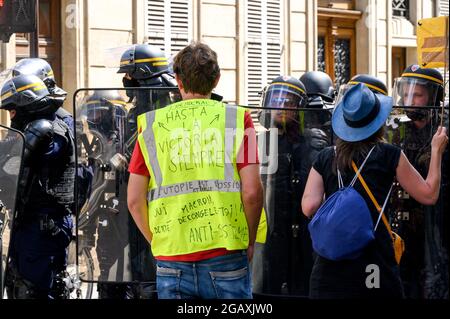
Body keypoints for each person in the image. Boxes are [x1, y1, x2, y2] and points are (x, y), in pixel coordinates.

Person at [127, 41, 263, 299]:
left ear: (177, 80)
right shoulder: (238, 119)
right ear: (217, 80)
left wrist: (158, 242)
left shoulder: (152, 125)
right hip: (226, 254)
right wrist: (250, 240)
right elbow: (253, 192)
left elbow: (134, 200)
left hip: (171, 258)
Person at [301, 83, 448, 298]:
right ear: (377, 123)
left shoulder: (325, 156)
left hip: (329, 268)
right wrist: (436, 151)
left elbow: (308, 207)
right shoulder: (390, 155)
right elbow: (429, 194)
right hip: (375, 264)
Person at [1, 74, 75, 299]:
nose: (11, 116)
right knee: (17, 283)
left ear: (27, 103)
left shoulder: (47, 130)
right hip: (28, 223)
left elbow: (14, 167)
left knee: (33, 291)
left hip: (44, 226)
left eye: (13, 109)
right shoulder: (29, 130)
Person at [252, 76, 328, 297]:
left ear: (299, 108)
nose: (281, 106)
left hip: (304, 234)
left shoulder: (312, 142)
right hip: (270, 234)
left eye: (289, 101)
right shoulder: (258, 142)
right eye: (276, 99)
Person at [391, 64, 448, 298]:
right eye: (406, 93)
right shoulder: (397, 129)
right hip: (403, 224)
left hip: (437, 224)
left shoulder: (444, 129)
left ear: (433, 97)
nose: (409, 100)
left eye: (417, 94)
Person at [77, 90, 130, 298]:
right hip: (108, 220)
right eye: (90, 115)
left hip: (125, 222)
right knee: (107, 278)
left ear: (111, 112)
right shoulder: (100, 144)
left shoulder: (124, 141)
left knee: (121, 280)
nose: (93, 120)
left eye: (97, 114)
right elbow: (95, 184)